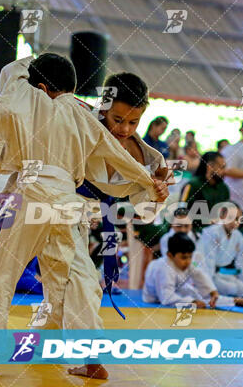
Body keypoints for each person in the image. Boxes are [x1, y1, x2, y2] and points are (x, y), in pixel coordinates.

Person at [0, 54, 168, 379]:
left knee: (0, 276)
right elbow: (116, 153)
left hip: (31, 192)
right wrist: (148, 180)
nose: (125, 129)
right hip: (66, 201)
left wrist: (35, 61)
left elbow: (10, 72)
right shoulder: (81, 113)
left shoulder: (27, 94)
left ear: (42, 85)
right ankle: (90, 356)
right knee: (70, 278)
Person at [75, 71, 168, 318]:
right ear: (103, 106)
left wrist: (158, 194)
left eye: (133, 122)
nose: (125, 129)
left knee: (75, 285)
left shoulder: (147, 158)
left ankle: (49, 341)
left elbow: (146, 213)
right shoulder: (77, 123)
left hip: (87, 223)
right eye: (118, 119)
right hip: (49, 205)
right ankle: (87, 350)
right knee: (79, 284)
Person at [143, 232, 243, 308]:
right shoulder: (163, 268)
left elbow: (200, 275)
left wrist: (213, 292)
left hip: (176, 291)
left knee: (195, 293)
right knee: (192, 298)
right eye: (183, 257)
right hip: (154, 299)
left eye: (190, 257)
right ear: (170, 255)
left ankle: (231, 301)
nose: (187, 261)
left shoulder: (185, 263)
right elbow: (166, 298)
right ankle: (230, 301)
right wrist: (192, 302)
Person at [197, 203, 243, 297]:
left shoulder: (238, 236)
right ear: (222, 216)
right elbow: (207, 262)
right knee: (232, 288)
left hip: (221, 274)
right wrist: (209, 289)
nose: (234, 222)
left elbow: (242, 261)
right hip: (204, 273)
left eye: (237, 219)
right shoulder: (212, 232)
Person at [180, 151, 229, 231]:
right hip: (195, 231)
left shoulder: (223, 188)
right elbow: (181, 213)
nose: (224, 171)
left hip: (218, 232)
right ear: (210, 166)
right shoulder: (192, 185)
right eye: (221, 167)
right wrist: (208, 220)